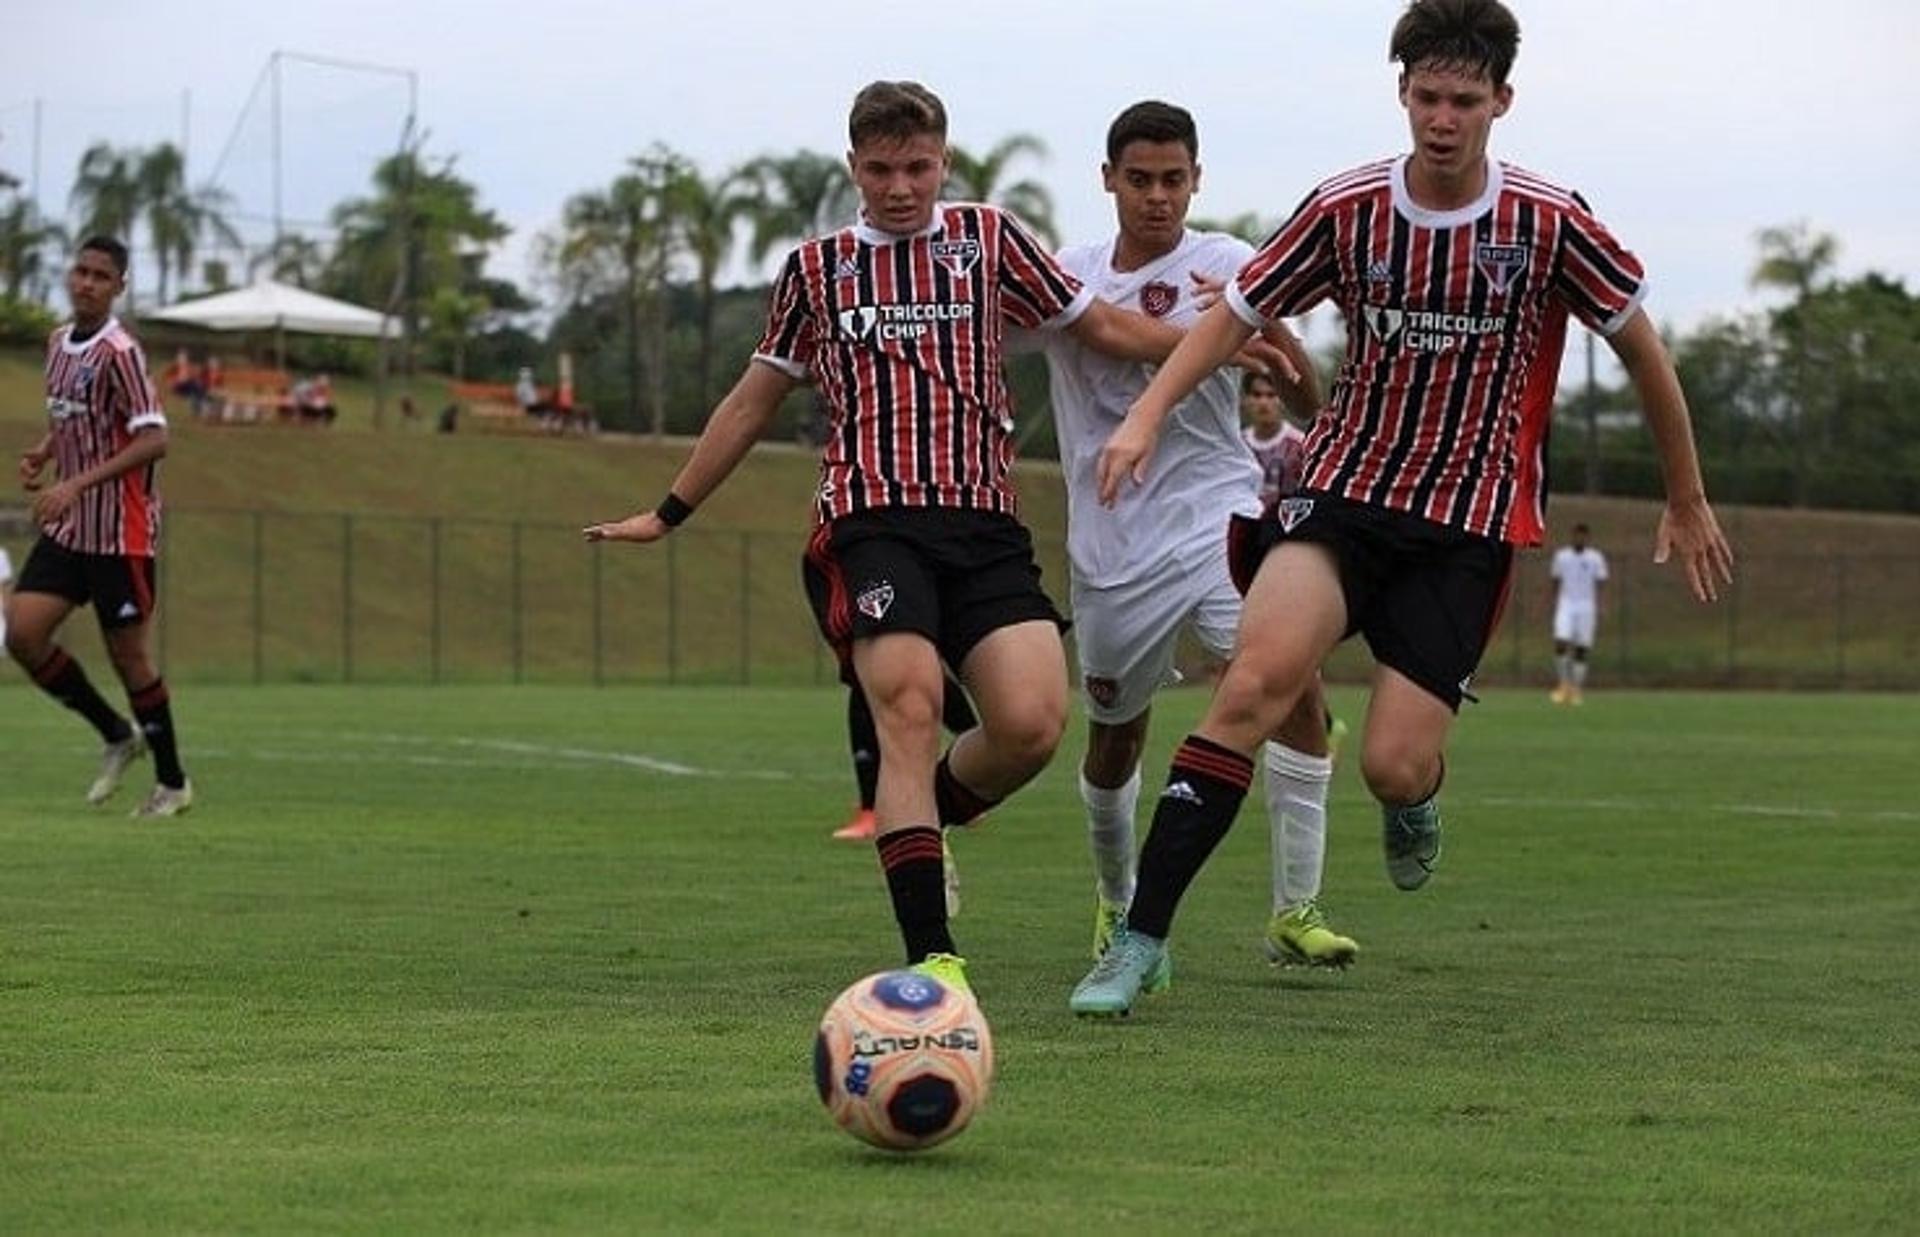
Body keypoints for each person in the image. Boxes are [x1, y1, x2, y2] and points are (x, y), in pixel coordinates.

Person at [1070, 0, 1734, 1017]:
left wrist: (1685, 495)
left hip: (1465, 528)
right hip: (1341, 498)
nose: (1443, 118)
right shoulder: (1346, 208)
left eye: (1465, 99)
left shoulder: (1548, 221)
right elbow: (1235, 316)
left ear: (1500, 103)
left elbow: (1641, 346)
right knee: (1250, 687)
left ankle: (1416, 799)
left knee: (1389, 763)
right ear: (1402, 94)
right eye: (1427, 95)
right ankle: (1142, 940)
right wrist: (1146, 415)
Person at [584, 80, 1284, 995]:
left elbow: (1104, 325)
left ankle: (925, 824)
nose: (900, 186)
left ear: (943, 162)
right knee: (910, 709)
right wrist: (668, 510)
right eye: (880, 170)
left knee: (1033, 725)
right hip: (871, 522)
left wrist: (1212, 343)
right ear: (854, 169)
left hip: (985, 525)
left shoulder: (989, 241)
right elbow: (753, 397)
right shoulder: (818, 270)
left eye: (917, 167)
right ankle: (932, 958)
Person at [1026, 100, 1357, 979]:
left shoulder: (1228, 263)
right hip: (1111, 546)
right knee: (1114, 737)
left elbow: (1309, 400)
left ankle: (1295, 908)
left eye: (1174, 179)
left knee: (1295, 685)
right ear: (1108, 181)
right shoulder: (1071, 275)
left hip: (1217, 520)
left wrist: (1266, 328)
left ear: (1197, 179)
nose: (1158, 197)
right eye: (1139, 180)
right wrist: (1205, 338)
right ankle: (1116, 898)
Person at [7, 235, 194, 818]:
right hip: (71, 530)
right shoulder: (59, 342)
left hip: (121, 532)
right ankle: (116, 733)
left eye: (100, 275)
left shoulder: (122, 352)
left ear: (119, 287)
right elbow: (76, 416)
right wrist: (46, 451)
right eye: (80, 271)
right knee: (23, 635)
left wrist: (77, 482)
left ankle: (173, 783)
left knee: (129, 659)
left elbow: (154, 437)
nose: (86, 282)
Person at [1549, 522, 1608, 704]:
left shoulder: (1595, 558)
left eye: (1583, 536)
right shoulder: (1562, 556)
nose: (1579, 539)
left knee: (1582, 649)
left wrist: (1602, 604)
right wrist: (1551, 603)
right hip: (1565, 605)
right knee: (1561, 641)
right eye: (1576, 535)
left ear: (1587, 538)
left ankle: (1576, 688)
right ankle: (1563, 684)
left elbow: (1601, 583)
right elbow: (1555, 581)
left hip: (1586, 607)